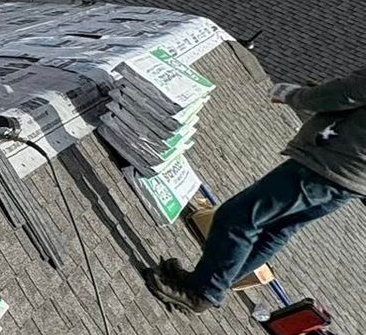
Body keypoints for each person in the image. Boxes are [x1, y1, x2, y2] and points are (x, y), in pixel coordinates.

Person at [148, 64, 366, 313]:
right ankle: (205, 282)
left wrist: (294, 96)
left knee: (237, 217)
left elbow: (348, 92)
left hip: (332, 163)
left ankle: (203, 291)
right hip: (353, 177)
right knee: (275, 229)